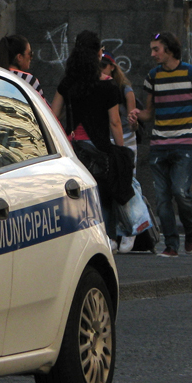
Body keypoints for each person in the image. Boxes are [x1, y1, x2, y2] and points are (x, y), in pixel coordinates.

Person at [130, 31, 192, 257]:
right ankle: (171, 245)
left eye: (156, 49)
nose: (152, 54)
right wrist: (137, 115)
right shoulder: (153, 76)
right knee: (162, 198)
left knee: (180, 191)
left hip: (185, 143)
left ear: (169, 49)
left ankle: (189, 227)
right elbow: (149, 113)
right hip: (159, 144)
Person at [51, 31, 128, 245]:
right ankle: (107, 238)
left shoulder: (68, 82)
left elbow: (53, 114)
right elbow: (115, 122)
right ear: (97, 54)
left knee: (75, 196)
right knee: (103, 193)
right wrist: (120, 151)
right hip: (99, 147)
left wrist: (65, 137)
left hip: (73, 148)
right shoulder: (108, 85)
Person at [101, 53, 153, 253]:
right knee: (111, 187)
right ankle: (115, 232)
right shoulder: (103, 86)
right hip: (109, 140)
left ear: (112, 67)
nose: (101, 71)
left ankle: (131, 230)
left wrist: (134, 121)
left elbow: (133, 121)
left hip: (126, 140)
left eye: (104, 67)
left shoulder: (126, 90)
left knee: (127, 183)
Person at [0, 34, 45, 99]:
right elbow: (42, 106)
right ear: (19, 57)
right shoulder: (29, 80)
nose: (31, 57)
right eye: (30, 54)